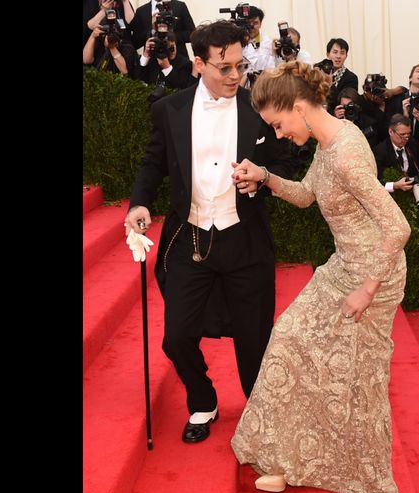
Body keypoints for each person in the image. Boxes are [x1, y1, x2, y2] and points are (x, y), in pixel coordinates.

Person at [229, 60, 410, 493]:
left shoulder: (346, 153)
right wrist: (265, 177)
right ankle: (283, 458)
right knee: (290, 338)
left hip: (374, 275)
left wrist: (367, 289)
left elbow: (398, 227)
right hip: (344, 265)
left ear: (298, 107)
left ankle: (373, 491)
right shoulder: (329, 143)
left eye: (278, 124)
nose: (279, 134)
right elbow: (309, 194)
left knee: (360, 380)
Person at [124, 20, 295, 444]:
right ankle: (203, 399)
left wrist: (262, 179)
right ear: (199, 64)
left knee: (254, 340)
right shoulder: (170, 109)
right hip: (191, 239)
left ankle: (259, 417)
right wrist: (139, 202)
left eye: (240, 65)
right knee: (177, 337)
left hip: (245, 239)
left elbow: (284, 161)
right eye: (225, 67)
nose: (236, 75)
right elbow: (153, 163)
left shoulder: (258, 108)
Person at [129, 0, 197, 62]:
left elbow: (192, 34)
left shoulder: (180, 6)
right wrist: (152, 30)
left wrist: (169, 36)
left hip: (178, 60)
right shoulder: (141, 11)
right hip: (152, 62)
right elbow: (135, 42)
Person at [373, 114, 419, 192]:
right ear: (390, 132)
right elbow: (375, 182)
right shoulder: (380, 151)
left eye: (408, 134)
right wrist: (394, 185)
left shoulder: (412, 145)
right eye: (402, 134)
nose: (406, 138)